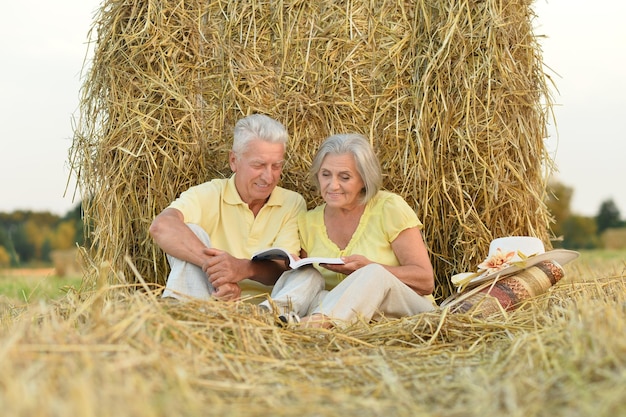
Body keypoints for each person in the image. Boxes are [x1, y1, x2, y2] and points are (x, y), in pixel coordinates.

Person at [264, 133, 436, 328]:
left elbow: (425, 281)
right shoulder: (308, 221)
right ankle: (268, 316)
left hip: (404, 316)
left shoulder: (390, 208)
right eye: (326, 174)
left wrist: (365, 268)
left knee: (373, 273)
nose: (332, 185)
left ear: (364, 179)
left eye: (344, 177)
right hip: (345, 315)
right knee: (305, 274)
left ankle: (315, 326)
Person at [149, 114, 317, 302]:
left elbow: (283, 268)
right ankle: (186, 317)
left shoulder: (292, 202)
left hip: (265, 311)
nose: (268, 177)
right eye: (258, 165)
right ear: (233, 161)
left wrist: (241, 269)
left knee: (310, 275)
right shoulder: (210, 193)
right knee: (189, 233)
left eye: (276, 166)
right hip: (211, 298)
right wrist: (219, 272)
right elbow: (161, 226)